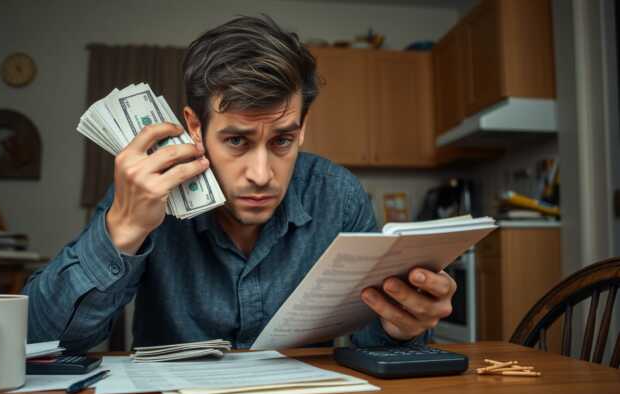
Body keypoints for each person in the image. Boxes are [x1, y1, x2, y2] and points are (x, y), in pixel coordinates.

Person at [24, 15, 456, 352]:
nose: (262, 174)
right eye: (236, 140)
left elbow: (373, 347)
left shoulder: (338, 196)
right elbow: (39, 341)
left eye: (282, 140)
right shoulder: (146, 191)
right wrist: (121, 231)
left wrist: (402, 328)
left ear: (303, 128)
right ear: (194, 127)